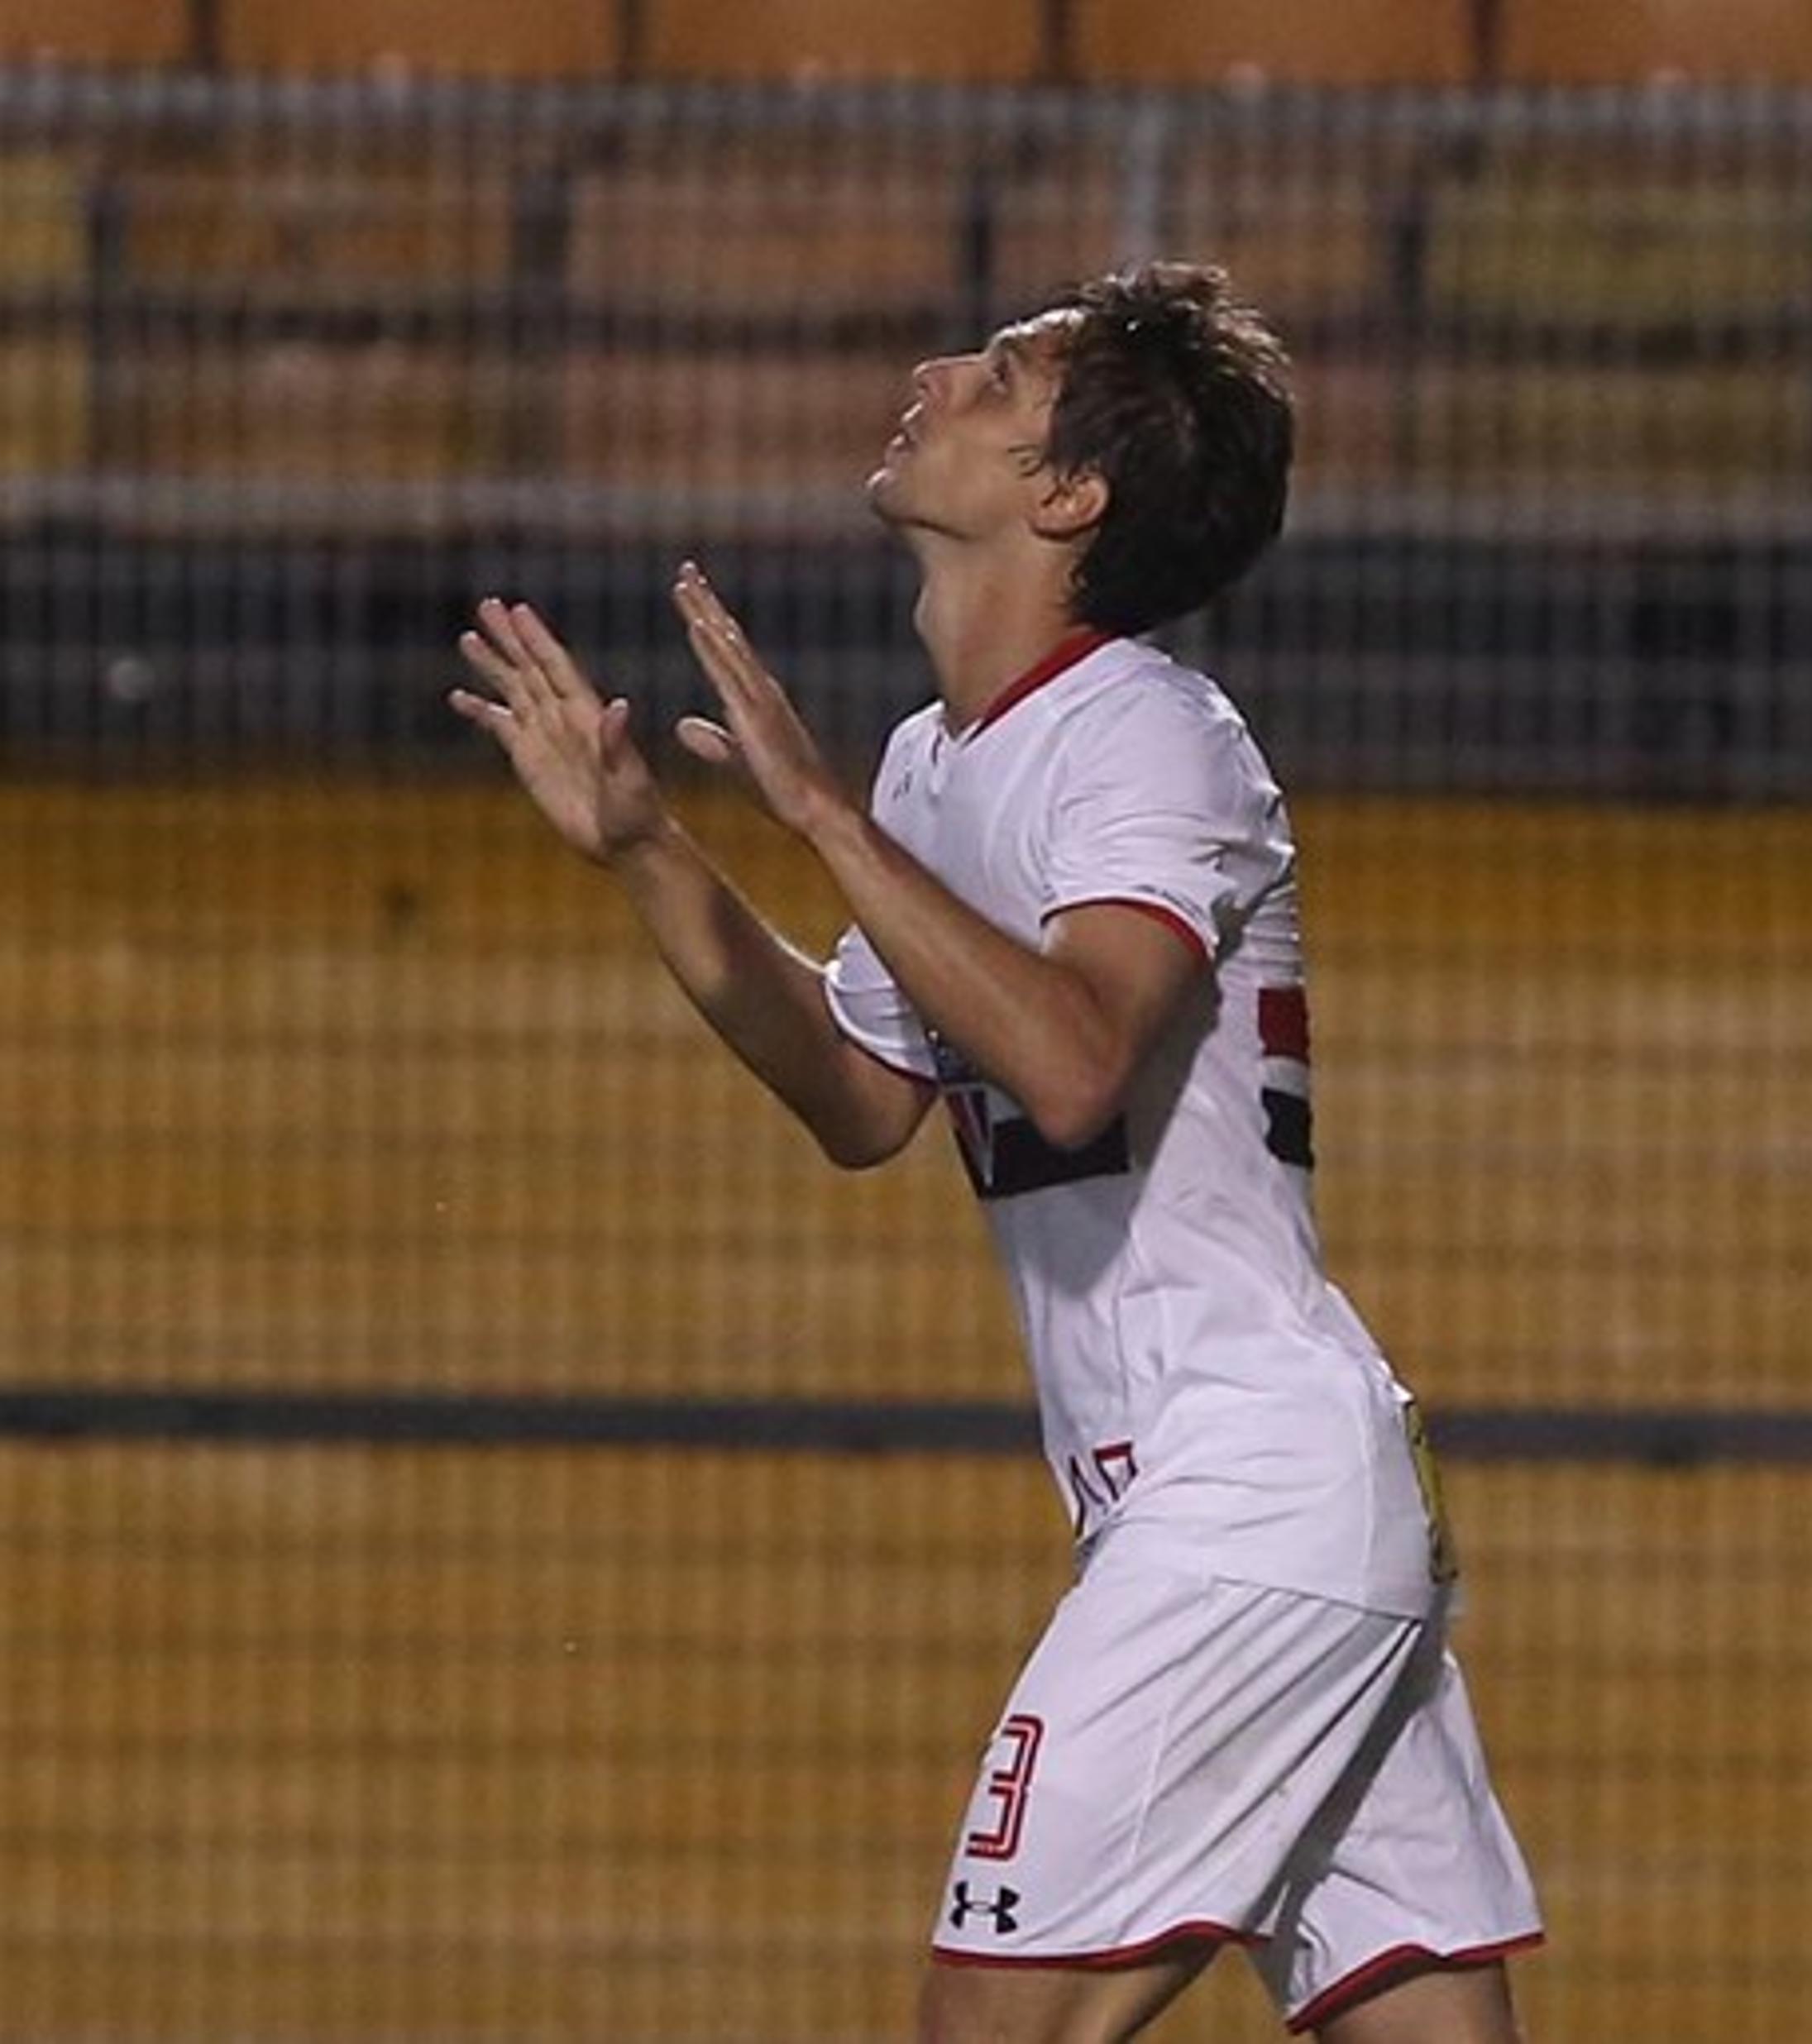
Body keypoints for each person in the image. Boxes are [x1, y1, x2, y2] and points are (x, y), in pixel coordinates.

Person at [447, 262, 1541, 2043]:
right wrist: (652, 851)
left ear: (1068, 495)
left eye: (1003, 370)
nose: (937, 369)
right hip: (1265, 1512)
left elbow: (1075, 1060)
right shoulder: (943, 760)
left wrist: (814, 814)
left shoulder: (1149, 738)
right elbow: (866, 1097)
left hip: (1244, 1500)